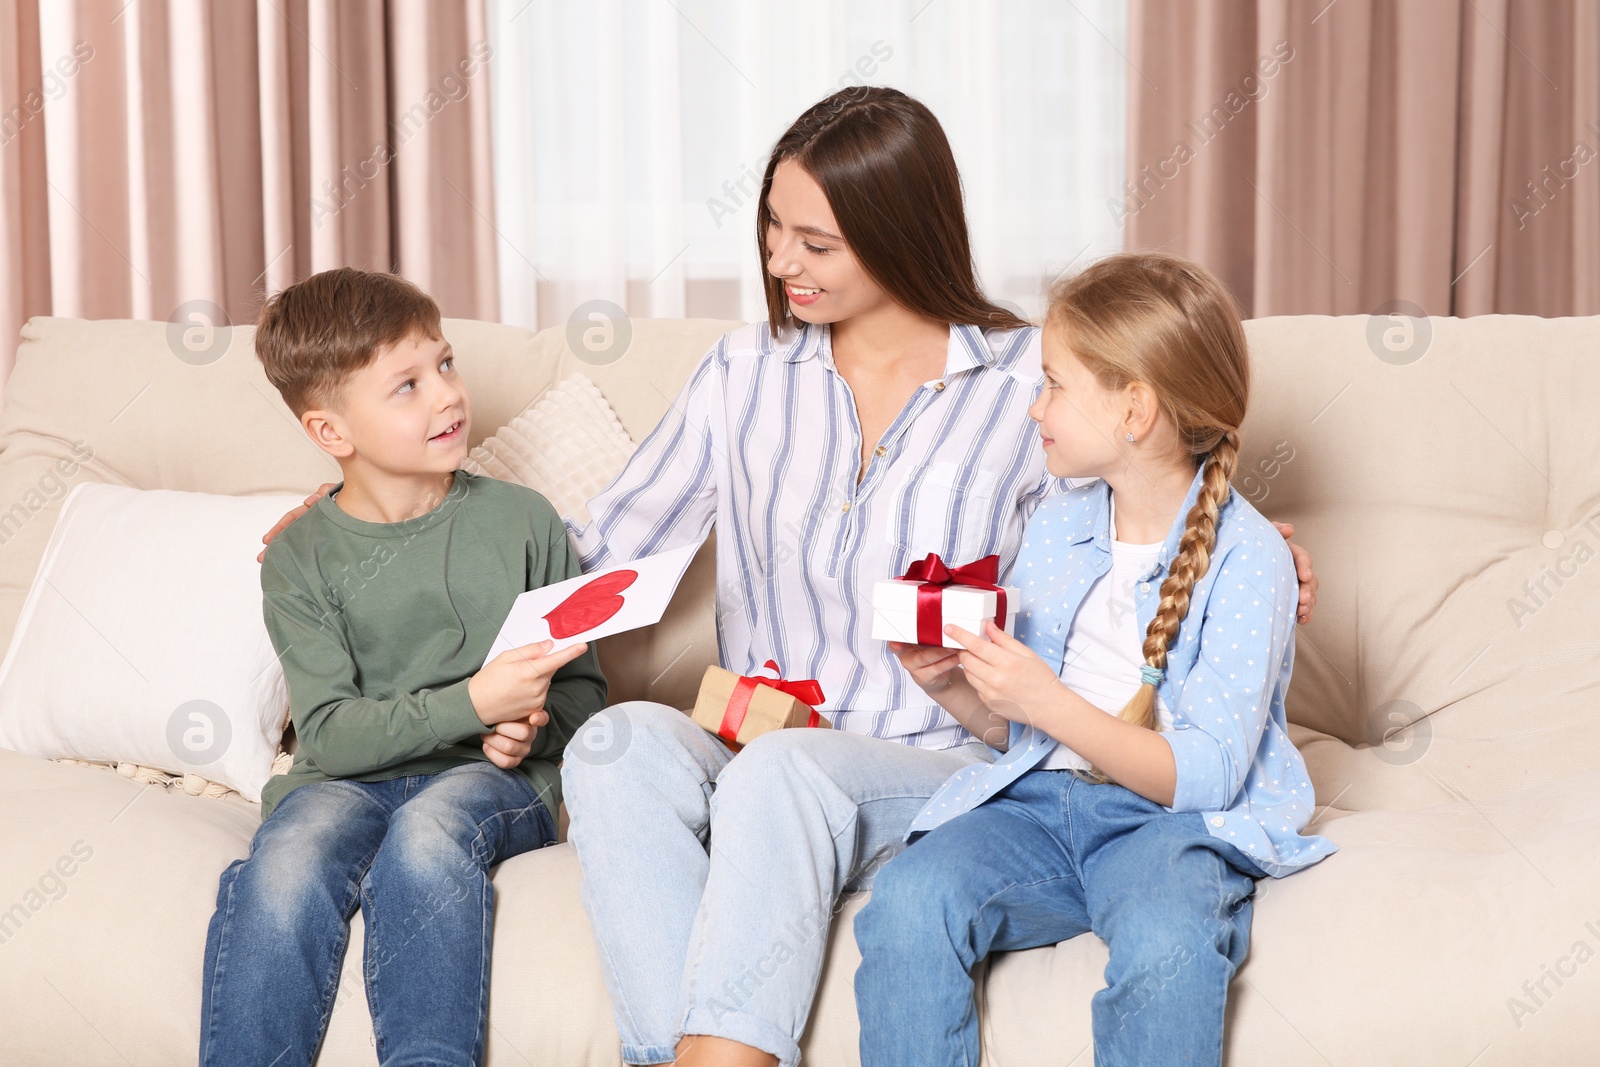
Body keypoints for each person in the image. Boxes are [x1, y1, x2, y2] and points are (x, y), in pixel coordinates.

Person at [256, 88, 1319, 1067]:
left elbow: (1134, 484)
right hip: (752, 742)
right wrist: (378, 519)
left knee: (788, 772)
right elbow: (600, 548)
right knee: (618, 741)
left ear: (901, 234)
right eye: (772, 226)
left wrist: (1237, 535)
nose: (780, 261)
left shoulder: (1019, 384)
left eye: (816, 239)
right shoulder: (744, 373)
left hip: (928, 760)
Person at [852, 251, 1336, 1067]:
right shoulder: (1059, 523)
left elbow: (1207, 775)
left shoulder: (1248, 557)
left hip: (1167, 825)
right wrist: (961, 692)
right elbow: (1029, 737)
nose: (1034, 406)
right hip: (1038, 808)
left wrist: (1044, 701)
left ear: (1135, 409)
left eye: (1053, 383)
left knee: (1166, 944)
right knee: (906, 898)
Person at [201, 267, 606, 1066]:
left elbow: (586, 701)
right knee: (286, 861)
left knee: (426, 836)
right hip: (339, 779)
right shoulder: (299, 557)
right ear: (331, 434)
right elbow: (329, 732)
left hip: (487, 784)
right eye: (408, 386)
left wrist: (526, 725)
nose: (448, 396)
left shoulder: (523, 522)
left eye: (446, 365)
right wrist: (476, 698)